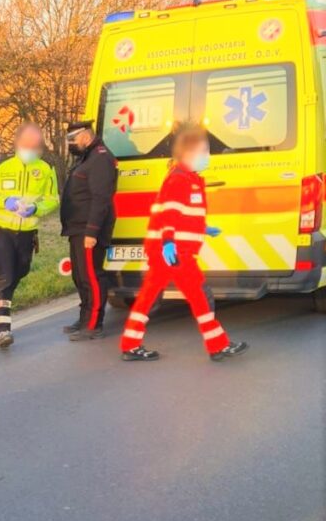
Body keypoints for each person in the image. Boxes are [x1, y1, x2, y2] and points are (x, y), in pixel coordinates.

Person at [120, 123, 248, 362]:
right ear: (188, 153)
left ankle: (130, 344)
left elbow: (183, 215)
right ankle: (218, 345)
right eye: (204, 151)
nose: (208, 156)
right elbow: (169, 214)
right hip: (174, 252)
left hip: (169, 250)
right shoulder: (179, 180)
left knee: (149, 296)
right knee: (198, 296)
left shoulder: (190, 179)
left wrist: (203, 228)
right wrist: (168, 242)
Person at [0, 123, 59, 348]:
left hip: (27, 232)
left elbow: (53, 199)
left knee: (18, 274)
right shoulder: (1, 165)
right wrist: (5, 201)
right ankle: (3, 329)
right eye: (26, 144)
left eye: (35, 145)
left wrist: (36, 208)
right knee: (5, 276)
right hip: (2, 229)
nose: (30, 149)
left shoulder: (46, 169)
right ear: (17, 143)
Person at [60, 120, 118, 341]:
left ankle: (93, 324)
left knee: (91, 277)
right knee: (80, 276)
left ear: (85, 135)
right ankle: (85, 318)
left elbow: (101, 199)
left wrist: (92, 233)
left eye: (73, 139)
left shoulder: (100, 158)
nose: (71, 144)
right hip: (77, 227)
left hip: (88, 229)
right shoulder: (87, 156)